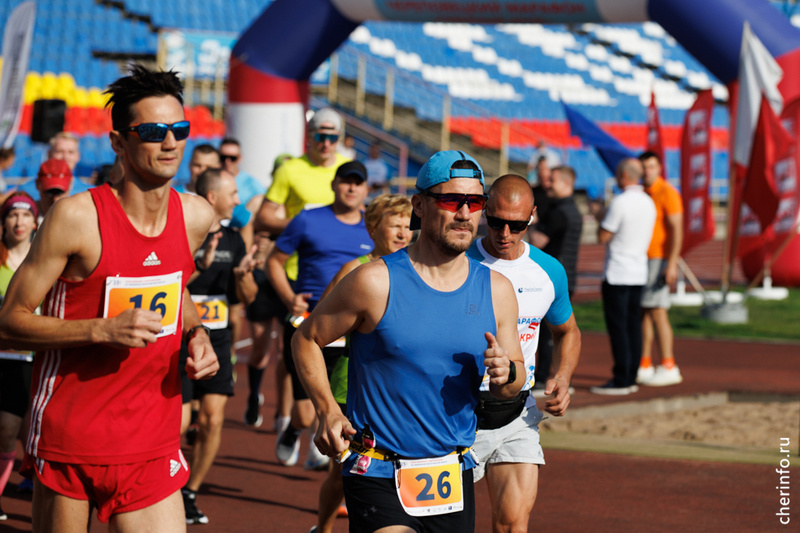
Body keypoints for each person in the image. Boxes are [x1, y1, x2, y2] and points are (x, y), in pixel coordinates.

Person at [0, 65, 220, 532]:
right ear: (119, 142)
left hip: (151, 439)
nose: (170, 142)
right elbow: (9, 321)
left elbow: (176, 289)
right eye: (153, 131)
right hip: (71, 437)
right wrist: (100, 329)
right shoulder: (76, 217)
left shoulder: (196, 216)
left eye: (178, 130)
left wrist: (196, 332)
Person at [293, 150, 524, 532]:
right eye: (451, 200)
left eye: (475, 202)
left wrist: (507, 374)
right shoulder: (375, 281)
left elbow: (514, 380)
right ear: (420, 204)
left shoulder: (497, 290)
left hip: (451, 471)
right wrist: (327, 410)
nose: (465, 213)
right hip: (378, 467)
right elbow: (306, 339)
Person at [466, 174, 580, 533]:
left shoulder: (548, 271)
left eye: (516, 225)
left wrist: (561, 377)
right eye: (496, 221)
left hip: (517, 413)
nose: (504, 234)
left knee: (513, 524)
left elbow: (568, 331)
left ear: (532, 216)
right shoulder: (458, 261)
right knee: (443, 526)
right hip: (457, 415)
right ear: (484, 210)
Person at [312, 194, 413, 533]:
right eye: (394, 225)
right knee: (344, 472)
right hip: (351, 384)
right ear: (373, 228)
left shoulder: (419, 272)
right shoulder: (355, 270)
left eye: (407, 225)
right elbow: (321, 324)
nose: (402, 232)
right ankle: (323, 528)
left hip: (398, 388)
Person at [266, 161, 373, 469]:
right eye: (346, 181)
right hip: (309, 320)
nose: (351, 188)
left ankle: (332, 462)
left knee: (341, 401)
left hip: (351, 327)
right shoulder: (307, 219)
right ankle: (294, 428)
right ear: (334, 184)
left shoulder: (372, 226)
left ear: (366, 189)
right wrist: (289, 298)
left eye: (358, 182)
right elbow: (275, 261)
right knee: (303, 412)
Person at [179, 167, 259, 525]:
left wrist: (243, 277)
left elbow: (246, 298)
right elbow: (171, 284)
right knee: (178, 425)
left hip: (219, 337)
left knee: (213, 420)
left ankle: (190, 491)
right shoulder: (182, 231)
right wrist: (200, 265)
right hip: (180, 337)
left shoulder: (235, 238)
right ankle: (166, 483)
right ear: (212, 197)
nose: (239, 201)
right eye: (233, 194)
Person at [590, 158, 656, 395]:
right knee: (633, 327)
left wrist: (599, 216)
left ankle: (621, 378)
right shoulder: (649, 202)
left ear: (623, 176)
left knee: (618, 327)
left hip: (618, 272)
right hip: (638, 271)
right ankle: (631, 375)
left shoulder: (620, 202)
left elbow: (603, 236)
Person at [244, 153, 293, 432]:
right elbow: (247, 237)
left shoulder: (297, 208)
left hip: (288, 278)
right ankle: (253, 395)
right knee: (261, 347)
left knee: (286, 351)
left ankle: (282, 412)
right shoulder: (258, 204)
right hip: (262, 277)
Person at [528, 165, 583, 394]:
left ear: (565, 183)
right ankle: (550, 376)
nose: (547, 184)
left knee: (545, 332)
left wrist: (531, 222)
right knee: (557, 330)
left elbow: (538, 242)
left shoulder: (559, 212)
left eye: (552, 180)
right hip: (568, 274)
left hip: (556, 278)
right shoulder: (574, 209)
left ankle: (541, 378)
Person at [0, 193, 38, 521]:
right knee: (5, 429)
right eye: (13, 215)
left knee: (34, 433)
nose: (19, 222)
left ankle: (39, 490)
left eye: (26, 216)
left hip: (35, 361)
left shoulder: (45, 264)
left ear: (35, 222)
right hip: (3, 360)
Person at [637, 151, 684, 387]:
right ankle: (644, 363)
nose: (647, 171)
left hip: (658, 259)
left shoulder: (667, 193)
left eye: (652, 166)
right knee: (645, 312)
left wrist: (672, 261)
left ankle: (668, 364)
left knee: (658, 311)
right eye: (644, 167)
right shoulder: (642, 194)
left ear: (659, 168)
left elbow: (677, 229)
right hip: (642, 259)